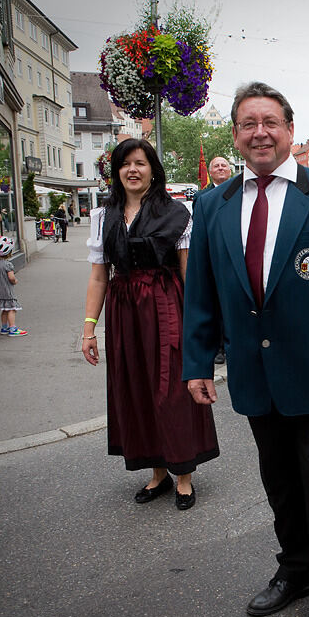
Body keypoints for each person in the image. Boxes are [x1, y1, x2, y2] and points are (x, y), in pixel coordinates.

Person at [183, 82, 309, 617]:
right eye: (248, 123)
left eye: (270, 121)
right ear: (236, 135)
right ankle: (295, 568)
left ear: (289, 131)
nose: (260, 132)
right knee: (280, 480)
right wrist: (197, 362)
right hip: (253, 369)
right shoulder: (212, 203)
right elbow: (201, 291)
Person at [82, 137, 218, 510]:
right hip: (124, 313)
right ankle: (157, 472)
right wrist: (89, 326)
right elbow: (99, 277)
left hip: (166, 306)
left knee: (172, 388)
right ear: (117, 171)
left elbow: (191, 273)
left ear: (153, 170)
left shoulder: (177, 213)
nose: (133, 170)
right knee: (137, 389)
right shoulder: (103, 217)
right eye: (126, 164)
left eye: (140, 163)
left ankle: (184, 475)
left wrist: (199, 326)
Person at [193, 155, 234, 365]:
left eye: (223, 165)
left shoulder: (241, 191)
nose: (220, 168)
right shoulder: (202, 196)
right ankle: (218, 347)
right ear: (210, 172)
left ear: (230, 170)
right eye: (216, 166)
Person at [0, 236, 27, 336]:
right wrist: (15, 281)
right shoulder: (7, 264)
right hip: (7, 291)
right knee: (11, 309)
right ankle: (12, 328)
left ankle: (4, 328)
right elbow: (11, 277)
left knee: (4, 310)